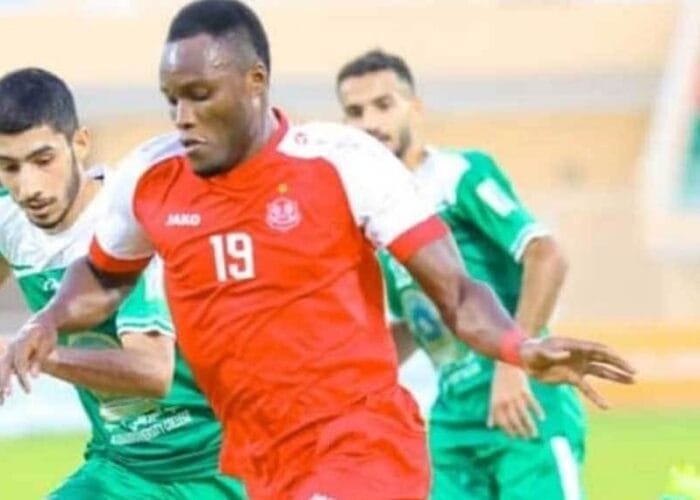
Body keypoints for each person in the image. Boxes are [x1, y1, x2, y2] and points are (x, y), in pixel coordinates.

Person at [0, 2, 634, 499]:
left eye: (200, 95)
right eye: (172, 99)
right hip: (257, 458)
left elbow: (456, 290)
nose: (182, 116)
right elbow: (103, 276)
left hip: (359, 444)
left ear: (255, 82)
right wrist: (47, 321)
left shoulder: (343, 162)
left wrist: (518, 347)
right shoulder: (151, 177)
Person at [337, 49, 586, 499]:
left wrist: (513, 364)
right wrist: (343, 390)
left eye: (384, 105)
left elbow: (547, 255)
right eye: (355, 112)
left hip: (522, 403)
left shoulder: (457, 176)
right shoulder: (374, 220)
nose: (370, 122)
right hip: (453, 426)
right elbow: (414, 322)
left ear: (415, 107)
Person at [0, 68, 245, 500]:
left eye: (43, 160)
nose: (28, 187)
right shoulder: (10, 221)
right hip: (121, 468)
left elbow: (152, 371)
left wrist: (34, 354)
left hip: (215, 467)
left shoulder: (130, 219)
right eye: (9, 167)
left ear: (80, 143)